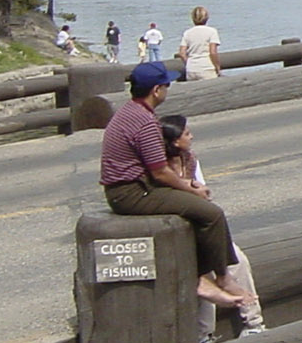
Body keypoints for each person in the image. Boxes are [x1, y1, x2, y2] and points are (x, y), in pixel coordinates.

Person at [99, 61, 242, 295]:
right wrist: (191, 190)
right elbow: (160, 171)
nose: (167, 90)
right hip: (132, 193)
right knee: (211, 214)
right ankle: (221, 277)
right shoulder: (144, 122)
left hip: (126, 188)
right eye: (166, 85)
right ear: (156, 91)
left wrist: (185, 184)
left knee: (195, 205)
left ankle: (204, 273)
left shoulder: (127, 111)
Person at [159, 114, 266, 343]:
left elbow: (203, 194)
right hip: (177, 233)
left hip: (202, 228)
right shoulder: (158, 167)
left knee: (239, 260)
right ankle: (203, 335)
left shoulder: (189, 159)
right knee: (203, 274)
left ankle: (253, 322)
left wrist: (199, 188)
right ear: (175, 141)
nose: (192, 136)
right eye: (187, 133)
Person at [178, 5, 223, 80]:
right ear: (206, 18)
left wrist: (189, 63)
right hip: (207, 67)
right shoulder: (212, 31)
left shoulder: (187, 33)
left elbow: (182, 53)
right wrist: (217, 68)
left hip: (191, 69)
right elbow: (212, 52)